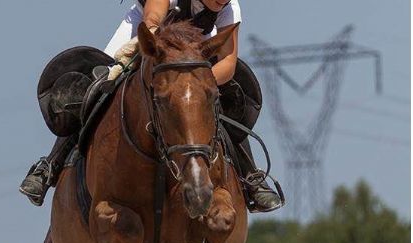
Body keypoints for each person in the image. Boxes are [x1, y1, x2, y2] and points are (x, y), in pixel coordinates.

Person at [19, 0, 283, 213]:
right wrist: (165, 63)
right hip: (148, 34)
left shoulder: (230, 7)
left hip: (193, 49)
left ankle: (251, 178)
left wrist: (194, 86)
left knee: (218, 99)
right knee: (102, 83)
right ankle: (49, 167)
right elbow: (153, 23)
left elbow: (228, 62)